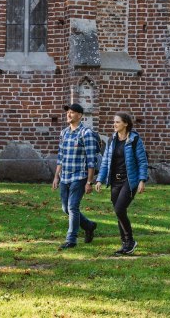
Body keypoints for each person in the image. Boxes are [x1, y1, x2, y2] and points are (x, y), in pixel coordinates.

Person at [95, 112, 149, 255]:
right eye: (114, 122)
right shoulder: (112, 140)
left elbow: (142, 162)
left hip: (130, 180)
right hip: (115, 181)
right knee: (119, 212)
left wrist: (142, 180)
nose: (114, 124)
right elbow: (106, 161)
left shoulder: (134, 139)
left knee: (119, 209)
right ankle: (126, 243)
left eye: (117, 122)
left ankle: (130, 241)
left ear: (126, 123)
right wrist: (100, 179)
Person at [51, 103, 99, 250]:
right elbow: (61, 156)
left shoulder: (86, 133)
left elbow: (91, 159)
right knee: (66, 208)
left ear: (79, 115)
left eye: (72, 112)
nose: (69, 114)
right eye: (68, 112)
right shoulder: (64, 133)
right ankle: (89, 226)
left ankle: (71, 239)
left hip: (80, 176)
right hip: (65, 176)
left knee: (72, 206)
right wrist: (56, 176)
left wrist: (89, 182)